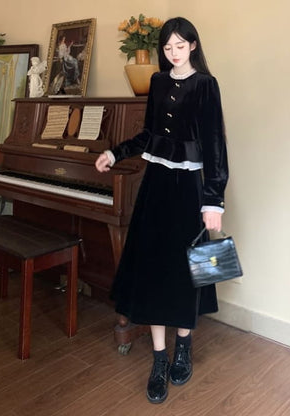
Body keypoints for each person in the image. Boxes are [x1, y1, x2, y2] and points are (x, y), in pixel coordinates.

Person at [95, 17, 229, 404]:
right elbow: (148, 135)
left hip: (189, 188)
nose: (173, 53)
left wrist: (214, 200)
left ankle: (183, 347)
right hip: (155, 184)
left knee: (186, 269)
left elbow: (216, 146)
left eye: (180, 46)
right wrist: (114, 153)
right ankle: (159, 359)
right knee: (153, 268)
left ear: (193, 46)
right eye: (167, 47)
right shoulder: (156, 82)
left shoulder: (206, 85)